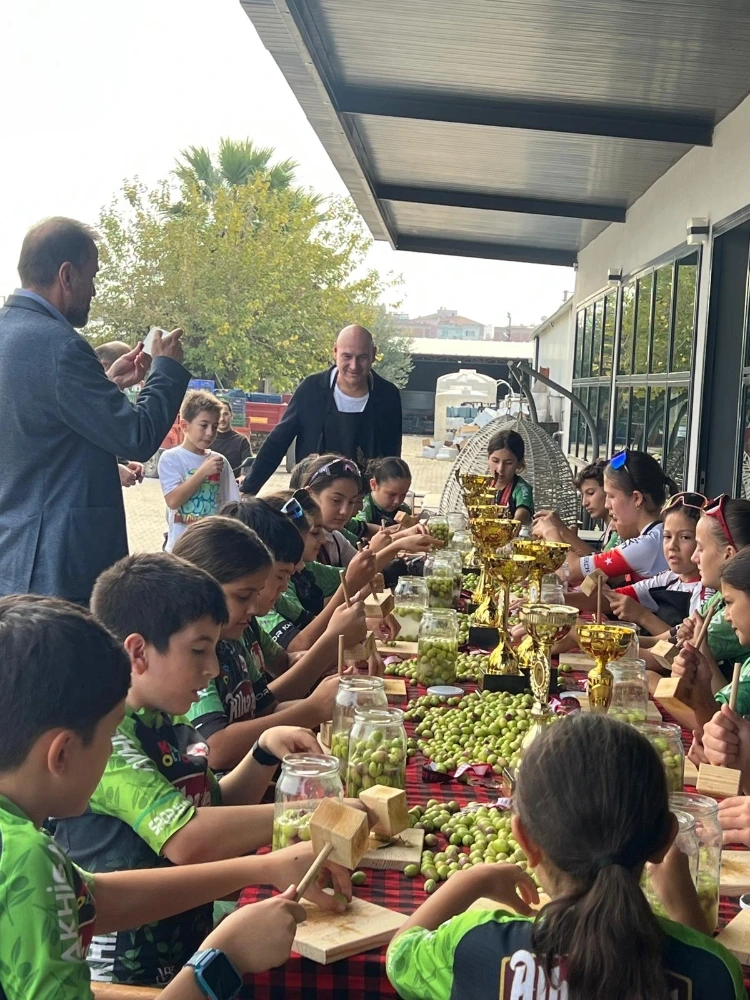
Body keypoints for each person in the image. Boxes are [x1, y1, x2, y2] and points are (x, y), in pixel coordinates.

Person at [0, 593, 341, 1000]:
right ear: (63, 753)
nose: (112, 749)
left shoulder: (25, 849)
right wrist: (222, 958)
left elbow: (94, 900)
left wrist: (262, 870)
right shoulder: (25, 857)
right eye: (109, 737)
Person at [386, 713, 743, 1000]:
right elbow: (706, 971)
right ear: (666, 838)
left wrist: (471, 880)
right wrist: (688, 914)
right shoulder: (715, 972)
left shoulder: (476, 945)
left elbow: (400, 955)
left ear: (524, 839)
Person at [0, 217, 189, 603]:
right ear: (66, 275)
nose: (95, 290)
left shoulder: (9, 333)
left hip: (14, 556)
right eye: (92, 276)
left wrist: (106, 385)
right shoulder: (61, 346)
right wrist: (166, 369)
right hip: (57, 565)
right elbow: (136, 437)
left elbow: (42, 425)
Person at [173, 518, 366, 773]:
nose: (254, 607)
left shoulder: (238, 634)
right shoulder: (194, 656)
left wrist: (332, 698)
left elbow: (267, 706)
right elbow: (216, 749)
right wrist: (312, 708)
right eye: (243, 596)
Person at [241, 325, 402, 494]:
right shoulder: (312, 389)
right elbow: (277, 442)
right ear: (335, 352)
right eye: (347, 356)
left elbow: (392, 457)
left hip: (364, 504)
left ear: (374, 355)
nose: (354, 366)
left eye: (362, 357)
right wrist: (248, 489)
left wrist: (391, 500)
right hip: (312, 499)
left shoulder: (387, 396)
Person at [563, 450, 676, 588]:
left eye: (611, 496)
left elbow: (570, 571)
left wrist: (554, 533)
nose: (606, 504)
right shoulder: (655, 535)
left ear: (636, 498)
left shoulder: (646, 544)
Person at [605, 495, 711, 633]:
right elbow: (614, 597)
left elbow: (687, 645)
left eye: (685, 537)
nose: (672, 546)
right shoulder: (668, 578)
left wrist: (642, 616)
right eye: (667, 536)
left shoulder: (708, 592)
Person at [158, 389, 240, 551]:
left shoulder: (220, 461)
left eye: (215, 427)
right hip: (180, 548)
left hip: (211, 548)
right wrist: (202, 472)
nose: (210, 433)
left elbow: (232, 506)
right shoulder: (171, 458)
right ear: (184, 426)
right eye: (203, 425)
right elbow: (173, 500)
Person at [534, 458, 618, 555]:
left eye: (590, 493)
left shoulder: (619, 531)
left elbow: (599, 565)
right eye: (582, 495)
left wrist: (561, 530)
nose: (584, 503)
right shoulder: (610, 529)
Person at [348, 457, 413, 538]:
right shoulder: (363, 509)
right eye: (392, 494)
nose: (397, 501)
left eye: (403, 494)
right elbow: (359, 531)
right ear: (374, 484)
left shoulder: (403, 509)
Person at [487, 429, 534, 524]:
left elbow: (522, 516)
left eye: (508, 463)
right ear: (488, 459)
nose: (500, 469)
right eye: (495, 461)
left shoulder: (521, 489)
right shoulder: (483, 486)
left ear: (519, 463)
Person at [213, 399, 252, 475]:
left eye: (225, 414)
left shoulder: (242, 441)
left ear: (232, 416)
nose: (222, 419)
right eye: (219, 414)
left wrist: (243, 476)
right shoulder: (207, 439)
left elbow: (248, 466)